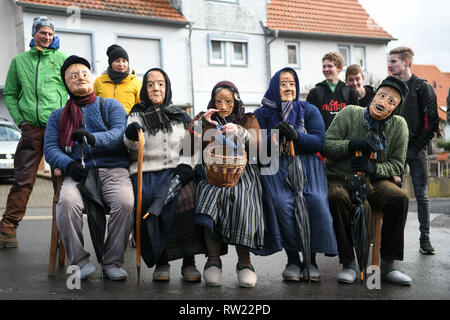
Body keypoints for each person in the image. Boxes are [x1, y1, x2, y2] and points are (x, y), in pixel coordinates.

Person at [44, 55, 134, 281]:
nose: (80, 78)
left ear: (92, 78)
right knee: (66, 202)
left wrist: (92, 138)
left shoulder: (111, 105)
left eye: (84, 73)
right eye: (73, 76)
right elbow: (51, 149)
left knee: (125, 203)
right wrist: (68, 164)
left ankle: (112, 262)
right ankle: (80, 261)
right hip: (78, 172)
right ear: (67, 84)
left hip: (113, 169)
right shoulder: (57, 116)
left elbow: (118, 135)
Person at [322, 75, 412, 285]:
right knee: (336, 197)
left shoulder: (399, 125)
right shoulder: (350, 113)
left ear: (396, 107)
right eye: (382, 95)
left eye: (391, 101)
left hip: (375, 181)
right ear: (374, 94)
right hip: (341, 177)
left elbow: (398, 165)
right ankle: (348, 263)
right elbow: (326, 145)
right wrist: (352, 144)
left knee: (399, 198)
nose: (383, 102)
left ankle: (389, 265)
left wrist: (374, 167)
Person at [254, 68, 338, 282]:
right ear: (275, 86)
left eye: (292, 83)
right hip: (276, 166)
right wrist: (274, 137)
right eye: (283, 83)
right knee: (281, 203)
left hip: (308, 164)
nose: (288, 87)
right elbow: (257, 148)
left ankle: (311, 260)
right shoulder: (262, 114)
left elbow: (319, 141)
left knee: (316, 201)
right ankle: (293, 259)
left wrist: (297, 136)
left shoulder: (309, 110)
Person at [123, 68, 204, 282]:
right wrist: (131, 135)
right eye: (150, 84)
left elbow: (193, 145)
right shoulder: (137, 113)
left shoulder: (180, 115)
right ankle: (162, 260)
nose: (155, 88)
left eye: (160, 84)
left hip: (177, 170)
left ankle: (189, 261)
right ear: (144, 88)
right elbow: (130, 146)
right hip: (146, 170)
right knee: (148, 199)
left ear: (167, 87)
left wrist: (187, 166)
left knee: (188, 198)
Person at [0, 16, 68, 248]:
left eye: (50, 33)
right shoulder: (19, 61)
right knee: (23, 180)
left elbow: (74, 90)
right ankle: (7, 229)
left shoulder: (62, 60)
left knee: (60, 179)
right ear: (34, 34)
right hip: (31, 129)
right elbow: (9, 92)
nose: (47, 37)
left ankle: (63, 233)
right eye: (43, 33)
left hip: (58, 128)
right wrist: (20, 120)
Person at [189, 81, 264, 288]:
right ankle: (213, 260)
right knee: (207, 194)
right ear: (212, 102)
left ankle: (245, 263)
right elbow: (188, 148)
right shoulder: (205, 118)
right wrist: (200, 127)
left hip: (242, 172)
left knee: (242, 198)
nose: (223, 105)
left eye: (228, 101)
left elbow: (259, 147)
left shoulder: (248, 119)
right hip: (212, 171)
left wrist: (241, 132)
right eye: (218, 101)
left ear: (235, 101)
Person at [388, 46, 439, 254]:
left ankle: (425, 238)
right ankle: (391, 240)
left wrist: (417, 146)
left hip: (417, 151)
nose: (390, 65)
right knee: (393, 195)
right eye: (389, 61)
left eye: (394, 62)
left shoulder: (421, 87)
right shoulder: (390, 87)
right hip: (395, 152)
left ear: (406, 62)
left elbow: (432, 122)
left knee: (421, 194)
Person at [306, 52, 358, 130]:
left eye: (330, 66)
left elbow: (356, 120)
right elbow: (309, 119)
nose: (326, 69)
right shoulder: (315, 92)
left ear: (339, 68)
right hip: (323, 139)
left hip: (345, 140)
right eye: (324, 66)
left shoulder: (350, 92)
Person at [94, 44, 142, 114]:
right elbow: (92, 104)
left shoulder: (136, 82)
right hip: (104, 123)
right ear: (110, 63)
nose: (121, 64)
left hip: (128, 123)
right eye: (117, 61)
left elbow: (140, 107)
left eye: (124, 61)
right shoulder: (99, 81)